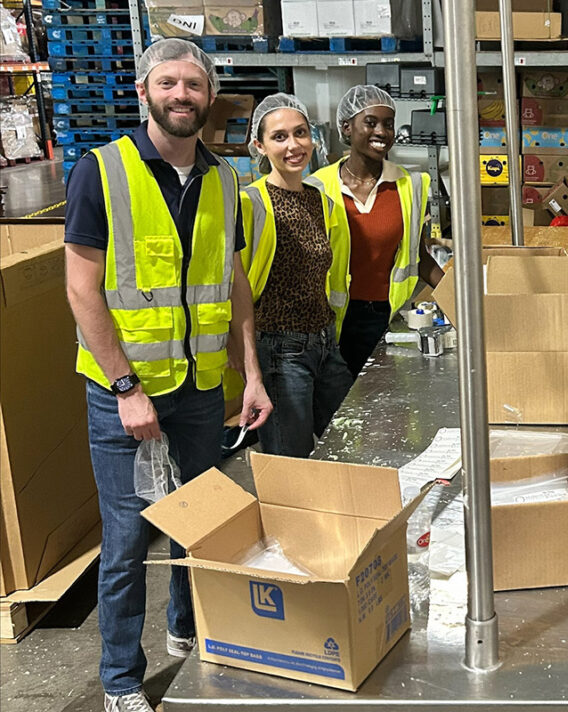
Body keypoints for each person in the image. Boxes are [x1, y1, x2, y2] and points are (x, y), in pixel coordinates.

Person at [63, 38, 273, 712]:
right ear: (145, 88)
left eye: (194, 84)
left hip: (202, 390)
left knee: (201, 523)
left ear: (210, 96)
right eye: (169, 83)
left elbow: (233, 279)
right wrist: (125, 388)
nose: (182, 95)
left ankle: (188, 629)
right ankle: (122, 680)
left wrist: (252, 373)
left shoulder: (224, 178)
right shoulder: (102, 171)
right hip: (125, 395)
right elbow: (81, 288)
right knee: (127, 542)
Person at [237, 93, 354, 457]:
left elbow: (334, 279)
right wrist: (245, 359)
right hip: (279, 352)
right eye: (280, 136)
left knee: (352, 442)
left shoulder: (324, 203)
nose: (293, 145)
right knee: (292, 458)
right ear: (260, 145)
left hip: (324, 344)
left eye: (300, 133)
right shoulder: (249, 203)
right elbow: (234, 285)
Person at [307, 85, 444, 378]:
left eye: (388, 124)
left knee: (386, 406)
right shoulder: (317, 188)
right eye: (370, 122)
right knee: (339, 413)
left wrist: (458, 301)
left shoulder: (411, 186)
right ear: (347, 127)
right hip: (333, 324)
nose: (381, 132)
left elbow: (420, 258)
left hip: (390, 318)